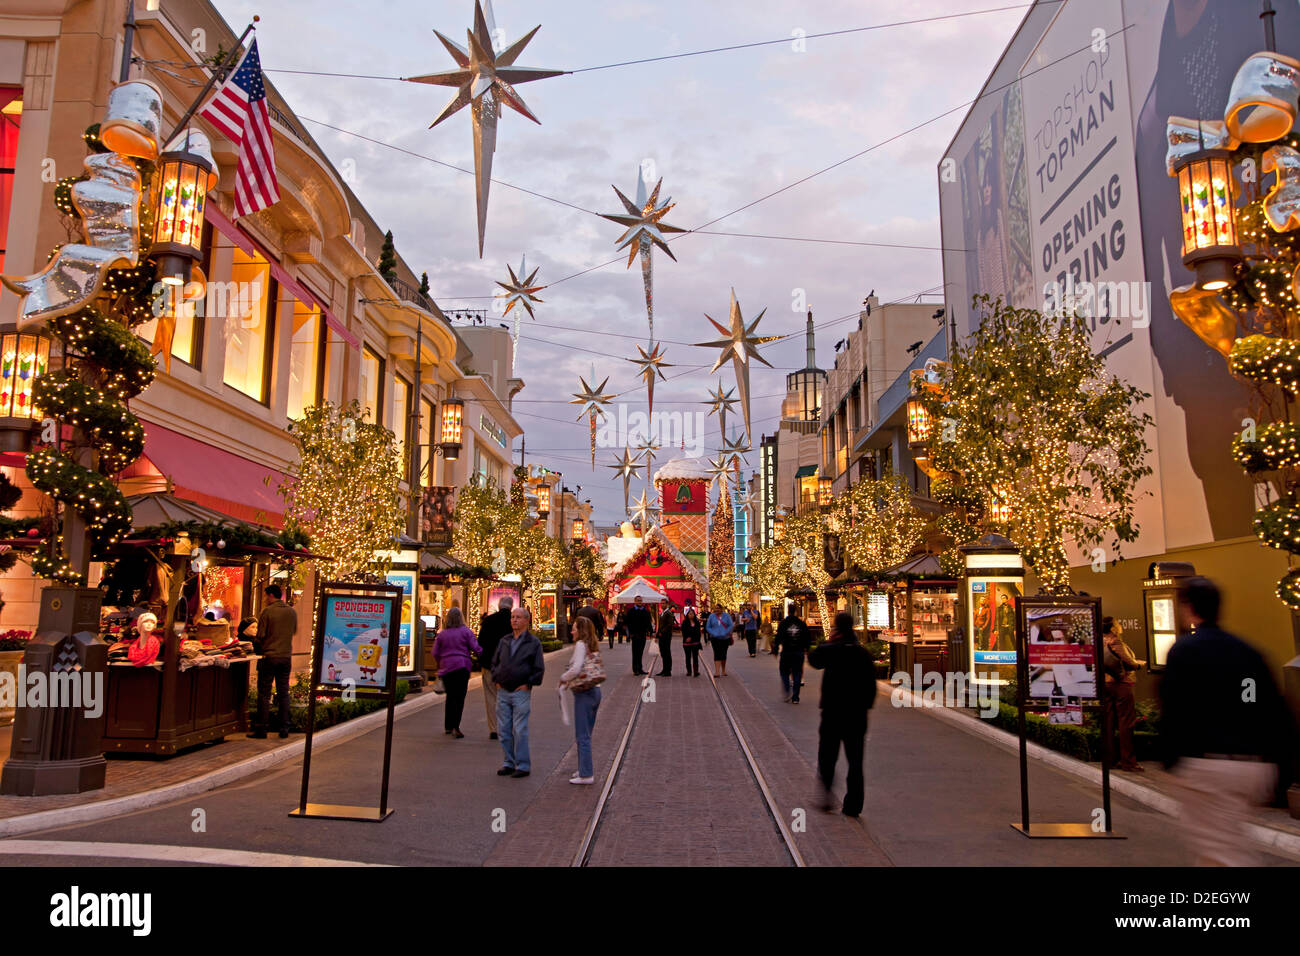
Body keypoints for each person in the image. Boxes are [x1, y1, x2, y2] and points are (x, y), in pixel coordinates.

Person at [1159, 577, 1296, 865]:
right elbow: (1271, 709)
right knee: (1225, 844)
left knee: (1221, 853)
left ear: (1187, 608)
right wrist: (1280, 767)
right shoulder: (1249, 653)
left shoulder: (1185, 651)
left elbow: (1174, 708)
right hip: (1253, 769)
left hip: (1207, 767)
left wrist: (1171, 761)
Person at [808, 612, 876, 818]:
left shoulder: (831, 650)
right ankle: (853, 805)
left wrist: (829, 641)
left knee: (827, 757)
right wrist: (865, 706)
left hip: (832, 713)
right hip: (856, 715)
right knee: (855, 761)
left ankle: (826, 795)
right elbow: (871, 687)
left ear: (836, 628)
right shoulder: (862, 653)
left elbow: (813, 659)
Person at [490, 606, 546, 778]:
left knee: (520, 729)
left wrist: (528, 684)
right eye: (513, 617)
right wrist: (497, 679)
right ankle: (508, 762)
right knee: (503, 729)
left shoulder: (533, 643)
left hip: (521, 691)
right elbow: (495, 662)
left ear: (526, 620)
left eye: (518, 617)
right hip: (503, 690)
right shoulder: (504, 640)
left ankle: (523, 765)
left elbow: (538, 668)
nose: (514, 620)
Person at [249, 584, 297, 740]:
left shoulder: (267, 612)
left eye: (265, 596)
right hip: (286, 657)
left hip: (269, 656)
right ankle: (284, 728)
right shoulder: (291, 612)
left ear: (271, 595)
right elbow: (293, 631)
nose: (264, 599)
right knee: (283, 693)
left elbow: (260, 635)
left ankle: (262, 729)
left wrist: (255, 643)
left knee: (264, 693)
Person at [560, 616, 604, 784]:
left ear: (580, 631)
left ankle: (586, 774)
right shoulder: (592, 644)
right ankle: (583, 767)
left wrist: (564, 677)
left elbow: (576, 668)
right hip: (595, 691)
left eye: (574, 628)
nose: (571, 631)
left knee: (582, 735)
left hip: (585, 693)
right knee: (586, 733)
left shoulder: (580, 644)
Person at [1102, 616, 1145, 772]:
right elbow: (1129, 663)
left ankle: (1110, 759)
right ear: (1113, 628)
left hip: (1106, 683)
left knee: (1108, 722)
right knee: (1126, 722)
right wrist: (1140, 664)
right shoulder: (1116, 642)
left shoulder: (1101, 642)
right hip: (1121, 684)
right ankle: (1128, 761)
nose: (1120, 626)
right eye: (1117, 624)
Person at [432, 607, 482, 739]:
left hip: (447, 668)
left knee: (450, 696)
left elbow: (435, 652)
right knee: (459, 697)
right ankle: (456, 726)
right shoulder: (466, 632)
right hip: (462, 666)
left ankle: (448, 725)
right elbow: (476, 648)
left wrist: (440, 663)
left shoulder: (442, 634)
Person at [477, 596, 514, 741]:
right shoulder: (514, 622)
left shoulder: (488, 621)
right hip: (508, 666)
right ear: (511, 607)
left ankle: (494, 728)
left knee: (491, 696)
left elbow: (480, 642)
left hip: (489, 665)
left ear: (499, 606)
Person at [773, 607, 810, 704]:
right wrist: (807, 649)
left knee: (784, 672)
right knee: (797, 673)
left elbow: (778, 637)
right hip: (798, 652)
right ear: (796, 612)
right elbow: (807, 637)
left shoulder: (784, 623)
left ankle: (787, 689)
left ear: (788, 611)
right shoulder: (801, 624)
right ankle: (795, 697)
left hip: (786, 652)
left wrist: (776, 649)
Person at [625, 595, 654, 675]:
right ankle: (635, 670)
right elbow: (628, 623)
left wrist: (652, 632)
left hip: (642, 635)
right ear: (635, 601)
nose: (639, 602)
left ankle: (640, 669)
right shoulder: (631, 611)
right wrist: (630, 633)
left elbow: (648, 623)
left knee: (640, 652)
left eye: (640, 600)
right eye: (638, 600)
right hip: (634, 635)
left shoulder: (645, 611)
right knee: (635, 653)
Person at [706, 605, 734, 677]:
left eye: (718, 608)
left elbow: (731, 625)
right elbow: (708, 627)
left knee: (723, 654)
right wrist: (713, 633)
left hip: (725, 638)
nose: (717, 610)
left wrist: (725, 632)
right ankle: (717, 671)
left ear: (722, 609)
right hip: (715, 638)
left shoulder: (727, 616)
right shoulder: (711, 616)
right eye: (716, 608)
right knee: (717, 653)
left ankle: (723, 670)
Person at [681, 604, 703, 677]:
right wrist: (687, 637)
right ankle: (689, 671)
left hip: (695, 642)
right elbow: (683, 632)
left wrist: (694, 638)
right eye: (690, 614)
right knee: (688, 657)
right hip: (687, 643)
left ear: (694, 615)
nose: (691, 615)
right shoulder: (685, 623)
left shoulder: (697, 623)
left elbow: (698, 632)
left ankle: (696, 671)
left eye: (692, 614)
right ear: (687, 615)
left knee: (695, 657)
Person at [655, 602, 675, 677]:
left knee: (666, 653)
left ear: (667, 604)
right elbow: (660, 625)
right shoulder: (662, 613)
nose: (662, 605)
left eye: (664, 603)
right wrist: (657, 635)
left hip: (666, 636)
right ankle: (664, 669)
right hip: (661, 636)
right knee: (663, 653)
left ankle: (668, 671)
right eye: (661, 603)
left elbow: (670, 624)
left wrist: (662, 632)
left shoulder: (668, 613)